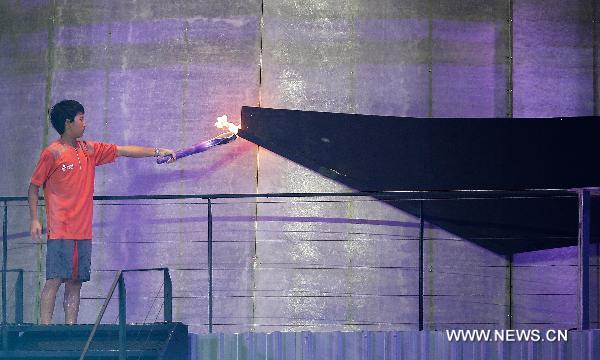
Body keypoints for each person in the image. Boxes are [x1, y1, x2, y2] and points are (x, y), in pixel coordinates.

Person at [28, 100, 176, 325]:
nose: (84, 124)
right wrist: (35, 219)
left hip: (83, 230)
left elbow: (124, 150)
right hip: (60, 229)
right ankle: (44, 327)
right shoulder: (53, 153)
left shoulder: (89, 150)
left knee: (75, 282)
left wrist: (158, 150)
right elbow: (34, 186)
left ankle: (71, 329)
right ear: (68, 123)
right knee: (55, 279)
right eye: (81, 119)